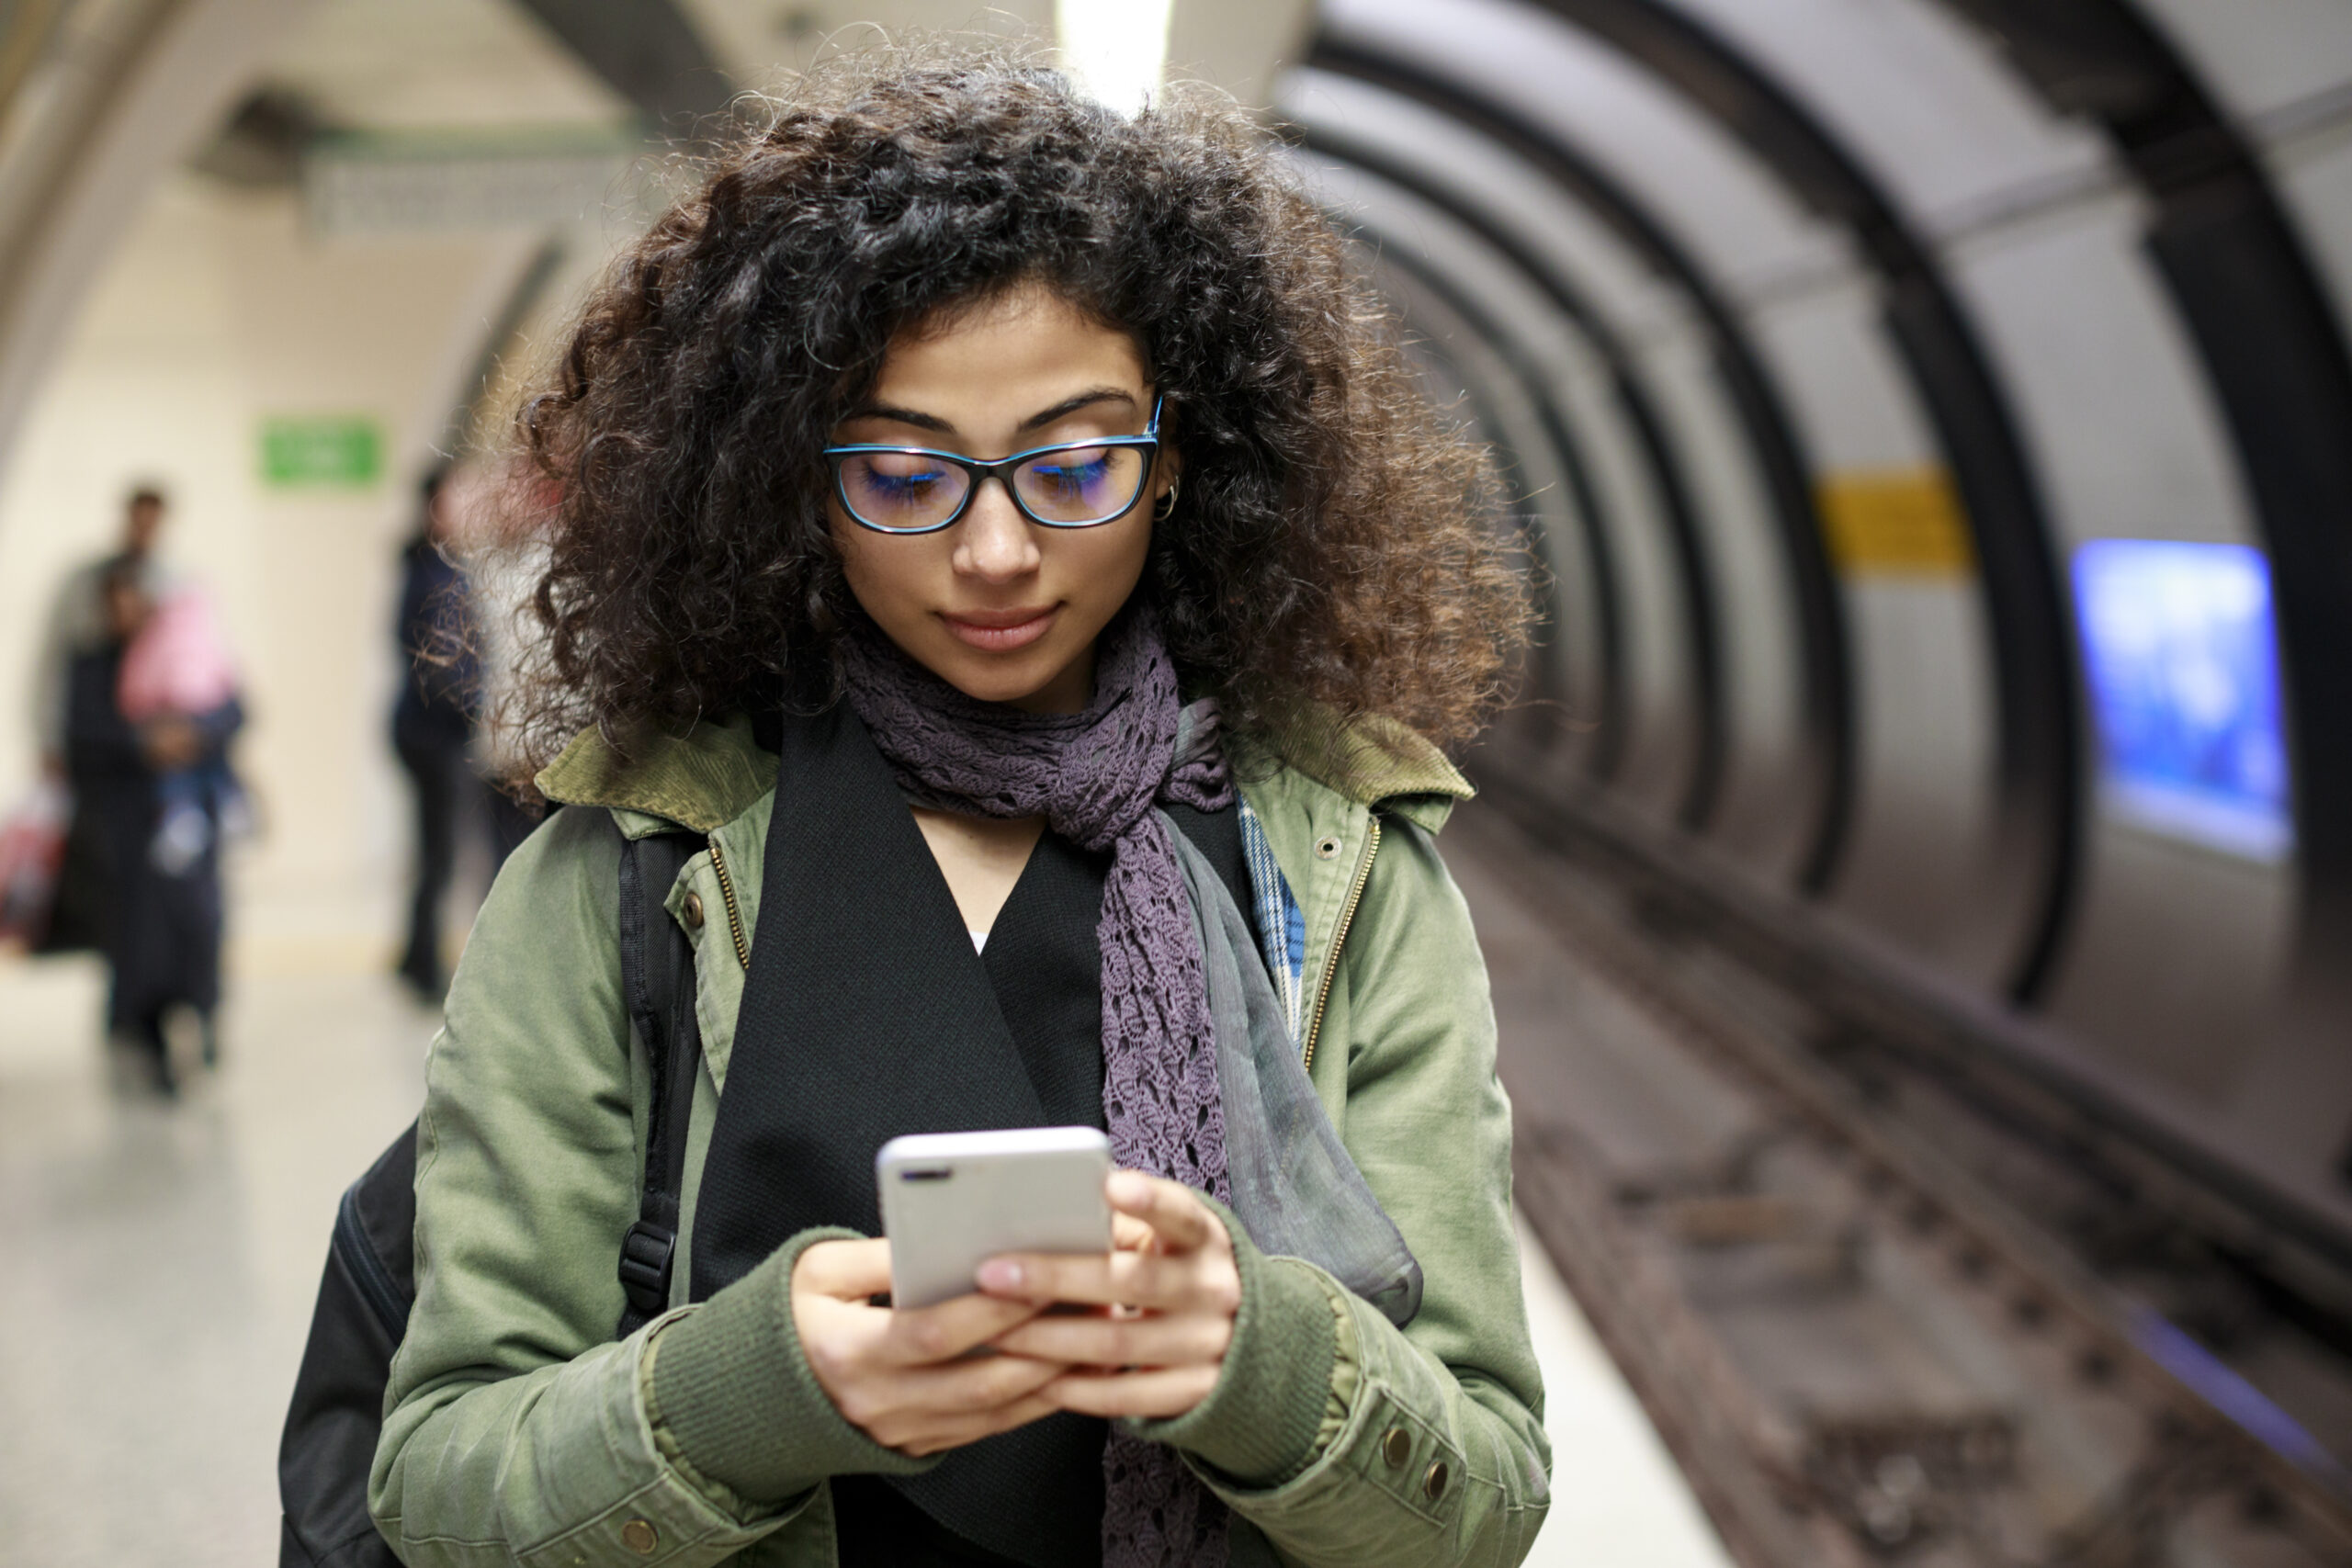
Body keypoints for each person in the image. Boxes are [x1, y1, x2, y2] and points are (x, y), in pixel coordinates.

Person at [368, 47, 1548, 1568]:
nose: (996, 552)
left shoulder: (1335, 867)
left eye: (1072, 466)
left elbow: (1488, 1494)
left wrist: (1257, 1358)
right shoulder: (636, 872)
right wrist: (749, 1390)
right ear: (797, 479)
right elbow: (441, 1479)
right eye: (909, 478)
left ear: (1175, 461)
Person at [62, 561, 243, 1092]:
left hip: (189, 829)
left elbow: (233, 706)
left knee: (200, 929)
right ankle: (149, 1039)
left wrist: (192, 734)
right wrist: (144, 744)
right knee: (142, 946)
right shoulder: (93, 664)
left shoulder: (184, 646)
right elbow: (83, 737)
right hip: (128, 832)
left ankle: (206, 1019)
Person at [390, 467, 534, 999]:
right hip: (438, 734)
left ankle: (414, 959)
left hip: (429, 731)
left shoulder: (432, 569)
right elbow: (447, 666)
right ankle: (425, 967)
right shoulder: (437, 575)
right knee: (443, 855)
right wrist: (489, 715)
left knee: (434, 853)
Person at [30, 485, 175, 953]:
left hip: (148, 756)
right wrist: (47, 738)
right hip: (100, 749)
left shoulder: (170, 583)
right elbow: (52, 664)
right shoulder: (86, 587)